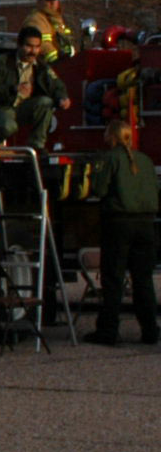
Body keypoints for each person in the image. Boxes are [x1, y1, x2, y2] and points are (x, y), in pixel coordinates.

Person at [88, 118, 159, 346]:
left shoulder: (110, 158)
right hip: (147, 224)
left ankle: (108, 331)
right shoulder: (145, 161)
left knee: (113, 279)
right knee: (143, 280)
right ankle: (150, 330)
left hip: (118, 222)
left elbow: (99, 189)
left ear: (112, 136)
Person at [16, 23, 65, 151]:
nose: (33, 51)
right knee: (6, 124)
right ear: (19, 45)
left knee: (45, 102)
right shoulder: (3, 63)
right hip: (4, 108)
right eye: (29, 46)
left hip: (23, 110)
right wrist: (13, 89)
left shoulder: (41, 67)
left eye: (37, 47)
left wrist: (62, 97)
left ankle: (37, 145)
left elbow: (56, 83)